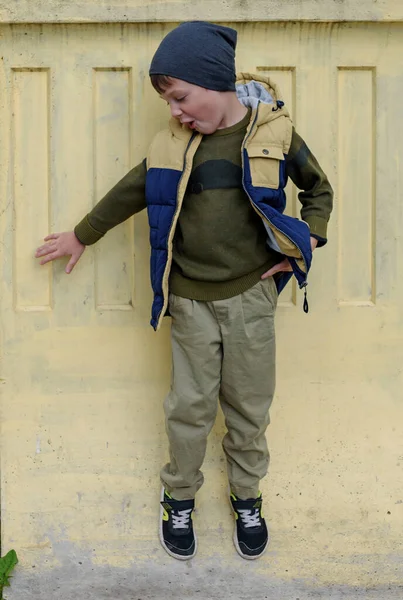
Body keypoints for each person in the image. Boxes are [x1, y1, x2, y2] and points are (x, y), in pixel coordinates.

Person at [35, 21, 333, 562]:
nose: (173, 110)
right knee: (190, 408)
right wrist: (81, 235)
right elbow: (132, 190)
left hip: (251, 300)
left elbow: (319, 189)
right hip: (191, 300)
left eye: (179, 97)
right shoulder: (171, 145)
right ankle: (179, 496)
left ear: (215, 82)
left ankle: (248, 497)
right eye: (169, 101)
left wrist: (305, 239)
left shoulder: (274, 133)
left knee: (249, 408)